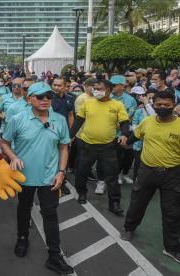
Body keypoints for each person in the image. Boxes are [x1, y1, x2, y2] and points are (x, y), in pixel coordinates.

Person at [1, 82, 74, 275]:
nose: (45, 100)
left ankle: (54, 255)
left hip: (50, 177)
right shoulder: (17, 119)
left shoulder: (59, 119)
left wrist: (61, 171)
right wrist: (13, 157)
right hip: (24, 176)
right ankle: (22, 237)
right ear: (29, 99)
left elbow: (64, 147)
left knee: (50, 214)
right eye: (40, 96)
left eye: (48, 96)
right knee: (24, 208)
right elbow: (4, 142)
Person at [120, 91, 180, 263]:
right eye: (159, 104)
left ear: (173, 104)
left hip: (173, 174)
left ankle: (172, 247)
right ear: (153, 104)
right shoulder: (147, 122)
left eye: (166, 105)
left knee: (172, 212)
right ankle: (128, 228)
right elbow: (135, 135)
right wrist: (125, 142)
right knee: (137, 203)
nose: (162, 108)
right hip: (147, 171)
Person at [70, 79, 129, 216]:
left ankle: (114, 203)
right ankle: (82, 193)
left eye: (99, 89)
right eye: (94, 88)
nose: (96, 91)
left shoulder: (117, 105)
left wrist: (125, 134)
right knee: (82, 171)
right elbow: (79, 120)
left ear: (108, 90)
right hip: (87, 145)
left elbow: (124, 122)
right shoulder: (88, 103)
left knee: (112, 175)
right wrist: (70, 136)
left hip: (108, 146)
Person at [109, 75, 137, 186]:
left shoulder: (130, 100)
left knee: (129, 156)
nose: (112, 87)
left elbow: (130, 116)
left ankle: (124, 174)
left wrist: (120, 124)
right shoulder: (108, 98)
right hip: (111, 134)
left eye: (114, 85)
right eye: (111, 85)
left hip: (126, 133)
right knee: (116, 157)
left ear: (122, 86)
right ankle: (116, 175)